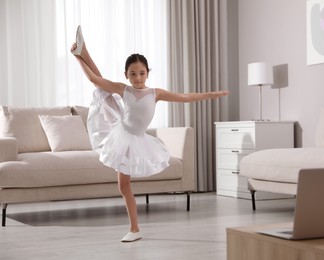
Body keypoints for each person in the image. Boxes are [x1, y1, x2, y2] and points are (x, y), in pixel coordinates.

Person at [70, 26, 229, 242]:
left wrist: (212, 94)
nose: (138, 78)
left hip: (136, 140)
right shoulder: (123, 89)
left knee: (123, 186)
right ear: (125, 75)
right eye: (133, 74)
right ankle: (134, 229)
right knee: (101, 89)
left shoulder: (156, 94)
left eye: (142, 73)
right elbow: (94, 80)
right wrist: (77, 59)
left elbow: (186, 97)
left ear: (148, 73)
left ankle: (135, 229)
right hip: (122, 135)